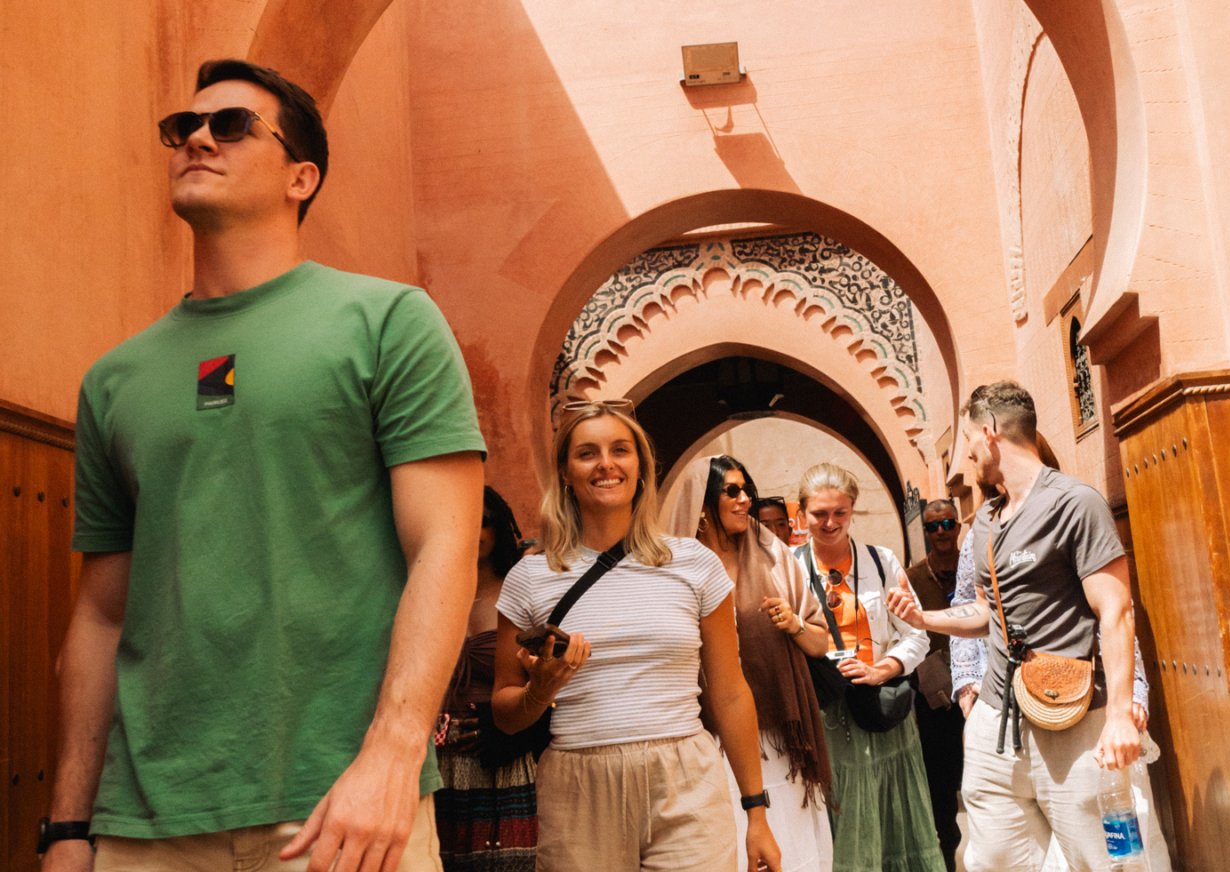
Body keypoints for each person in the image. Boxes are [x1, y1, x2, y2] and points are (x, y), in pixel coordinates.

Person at [44, 59, 486, 872]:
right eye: (184, 127)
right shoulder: (114, 379)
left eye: (233, 125)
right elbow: (102, 615)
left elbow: (445, 550)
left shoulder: (389, 322)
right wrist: (68, 827)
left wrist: (391, 759)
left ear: (301, 176)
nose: (197, 138)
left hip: (341, 810)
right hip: (146, 827)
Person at [885, 381, 1171, 871]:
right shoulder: (987, 523)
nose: (963, 462)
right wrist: (926, 618)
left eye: (968, 442)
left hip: (1074, 719)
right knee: (993, 859)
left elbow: (1116, 611)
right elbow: (985, 612)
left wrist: (1121, 713)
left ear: (990, 431)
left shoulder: (1074, 504)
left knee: (1106, 860)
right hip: (996, 725)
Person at [490, 402, 782, 872]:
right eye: (588, 453)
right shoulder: (530, 578)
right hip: (578, 785)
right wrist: (541, 689)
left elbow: (729, 693)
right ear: (565, 471)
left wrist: (757, 812)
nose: (606, 464)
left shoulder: (693, 563)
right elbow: (504, 711)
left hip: (685, 777)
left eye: (620, 450)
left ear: (641, 468)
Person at [670, 456, 833, 872]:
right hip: (707, 742)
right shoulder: (675, 569)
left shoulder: (772, 554)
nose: (745, 501)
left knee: (788, 845)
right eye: (732, 491)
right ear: (704, 506)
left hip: (778, 738)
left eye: (747, 491)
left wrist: (793, 624)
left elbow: (820, 642)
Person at [793, 462, 946, 872]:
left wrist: (886, 668)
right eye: (819, 514)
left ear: (852, 510)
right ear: (801, 513)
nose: (829, 523)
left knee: (895, 821)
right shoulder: (788, 569)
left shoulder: (882, 562)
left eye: (840, 513)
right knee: (839, 822)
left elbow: (918, 634)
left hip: (882, 711)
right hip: (824, 715)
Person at [434, 487, 538, 871]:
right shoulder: (426, 590)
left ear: (500, 530)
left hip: (498, 758)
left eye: (484, 522)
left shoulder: (520, 589)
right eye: (463, 519)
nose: (473, 530)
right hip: (433, 761)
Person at [903, 499, 966, 871]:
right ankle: (947, 855)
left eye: (947, 524)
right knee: (940, 785)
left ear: (957, 527)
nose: (941, 532)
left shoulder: (974, 568)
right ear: (925, 533)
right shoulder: (912, 578)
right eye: (933, 527)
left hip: (979, 690)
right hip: (935, 700)